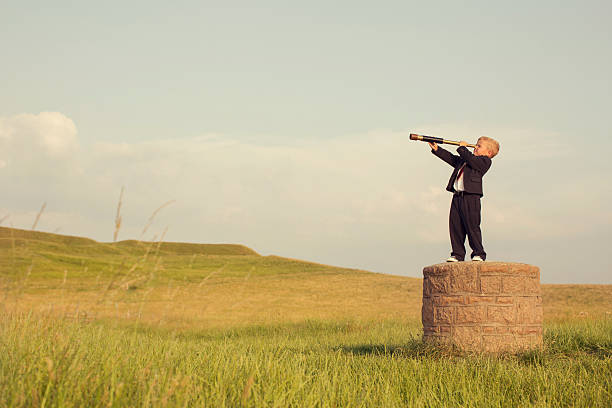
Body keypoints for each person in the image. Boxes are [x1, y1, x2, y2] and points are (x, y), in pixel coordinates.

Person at [428, 136, 500, 262]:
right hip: (457, 196)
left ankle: (478, 253)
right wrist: (438, 149)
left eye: (479, 146)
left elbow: (471, 160)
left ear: (488, 152)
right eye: (476, 145)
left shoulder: (484, 162)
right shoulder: (466, 160)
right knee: (455, 226)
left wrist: (462, 148)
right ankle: (457, 254)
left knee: (472, 226)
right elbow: (453, 159)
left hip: (471, 197)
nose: (475, 147)